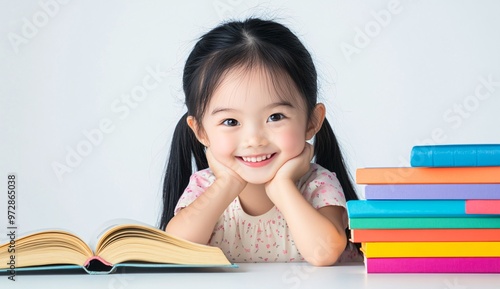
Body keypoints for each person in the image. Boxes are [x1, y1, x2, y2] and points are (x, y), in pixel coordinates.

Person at [159, 18, 361, 266]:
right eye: (231, 121)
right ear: (201, 131)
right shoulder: (205, 187)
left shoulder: (317, 185)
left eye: (275, 117)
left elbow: (324, 253)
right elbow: (177, 249)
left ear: (312, 121)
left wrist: (283, 187)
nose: (254, 139)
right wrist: (226, 184)